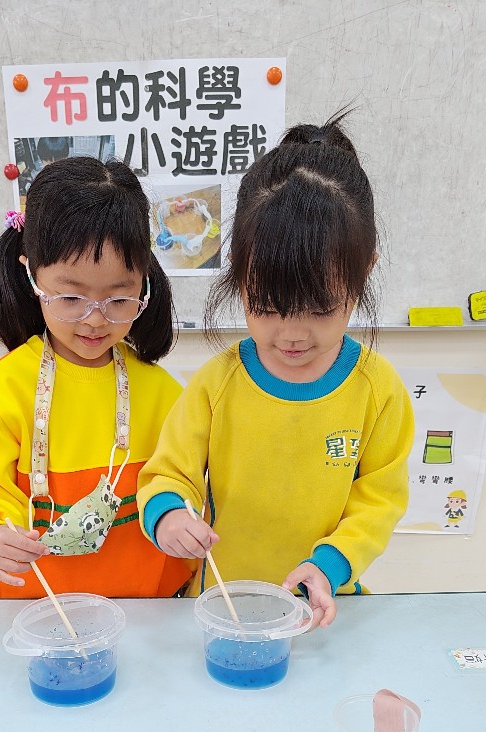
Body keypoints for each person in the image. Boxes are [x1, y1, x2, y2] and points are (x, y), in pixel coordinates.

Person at [137, 113, 414, 628]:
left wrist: (329, 566)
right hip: (221, 604)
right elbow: (167, 472)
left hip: (323, 608)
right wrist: (169, 513)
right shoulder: (218, 383)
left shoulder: (377, 391)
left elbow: (379, 501)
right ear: (238, 268)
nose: (292, 335)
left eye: (320, 309)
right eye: (266, 307)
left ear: (364, 272)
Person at [0, 157, 190, 599]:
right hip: (39, 608)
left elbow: (184, 480)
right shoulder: (9, 386)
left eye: (119, 299)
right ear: (30, 273)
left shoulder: (163, 392)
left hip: (147, 608)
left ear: (144, 283)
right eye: (71, 297)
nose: (94, 320)